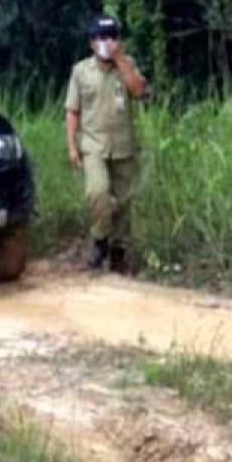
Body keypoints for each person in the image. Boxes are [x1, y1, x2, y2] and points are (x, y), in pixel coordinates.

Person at [63, 14, 149, 272]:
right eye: (102, 37)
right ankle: (100, 239)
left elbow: (139, 91)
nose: (107, 42)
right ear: (92, 43)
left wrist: (121, 60)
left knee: (124, 201)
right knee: (98, 193)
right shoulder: (80, 71)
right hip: (93, 146)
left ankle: (119, 251)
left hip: (123, 145)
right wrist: (72, 145)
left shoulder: (127, 64)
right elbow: (72, 110)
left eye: (112, 37)